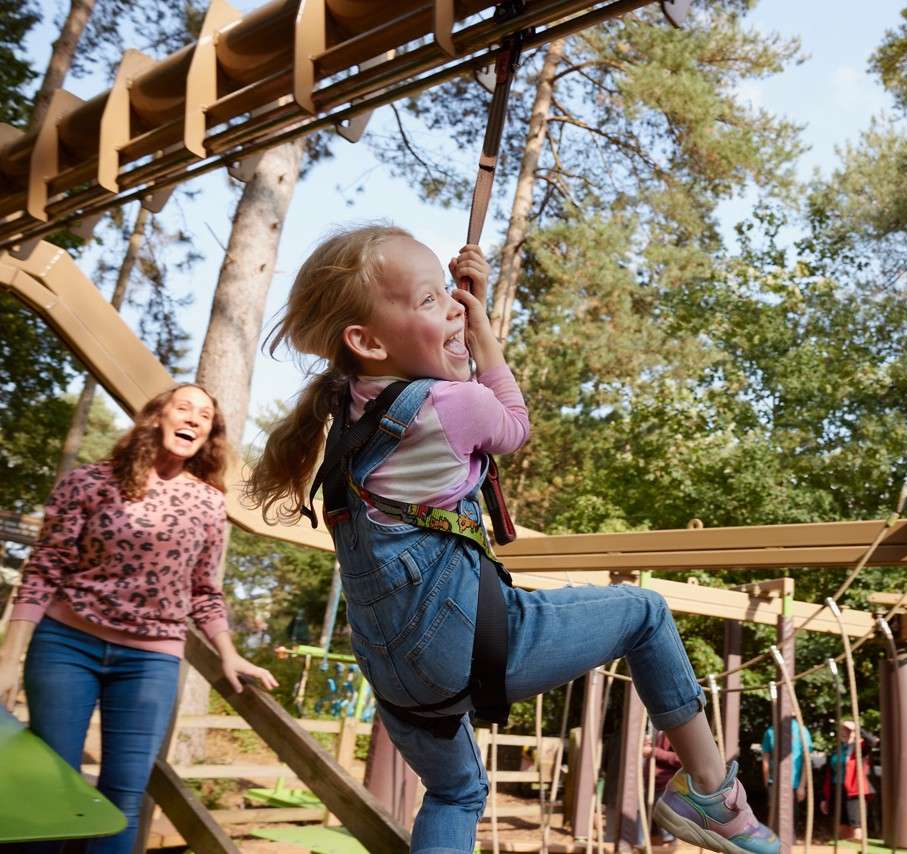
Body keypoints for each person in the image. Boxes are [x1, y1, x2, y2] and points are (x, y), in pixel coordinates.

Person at [245, 224, 780, 854]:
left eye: (447, 292)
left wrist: (457, 314)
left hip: (396, 679)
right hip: (462, 647)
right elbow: (509, 421)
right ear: (364, 340)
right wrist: (486, 333)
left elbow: (441, 373)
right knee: (645, 612)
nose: (452, 307)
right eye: (429, 301)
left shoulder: (350, 419)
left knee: (454, 795)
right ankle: (710, 794)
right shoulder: (450, 407)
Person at [0, 384, 278, 853]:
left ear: (209, 434)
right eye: (183, 408)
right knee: (52, 788)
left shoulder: (209, 504)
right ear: (156, 417)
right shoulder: (89, 482)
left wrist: (229, 654)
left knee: (125, 796)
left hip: (150, 662)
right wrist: (10, 657)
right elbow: (44, 569)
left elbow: (204, 591)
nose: (193, 418)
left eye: (205, 415)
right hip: (66, 646)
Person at [820, 720, 877, 842]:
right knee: (841, 823)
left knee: (856, 823)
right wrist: (825, 798)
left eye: (848, 730)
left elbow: (873, 741)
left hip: (854, 790)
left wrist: (858, 728)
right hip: (837, 789)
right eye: (842, 730)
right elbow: (829, 775)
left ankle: (858, 843)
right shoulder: (838, 750)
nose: (844, 732)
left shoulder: (860, 747)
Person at [760, 718, 814, 817]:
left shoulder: (801, 731)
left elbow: (806, 761)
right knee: (774, 817)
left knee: (790, 820)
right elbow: (765, 759)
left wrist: (802, 786)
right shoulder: (771, 731)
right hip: (774, 783)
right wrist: (767, 782)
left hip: (794, 784)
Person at [644, 729, 682, 846]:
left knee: (667, 831)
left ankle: (670, 844)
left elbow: (681, 759)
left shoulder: (676, 733)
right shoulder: (659, 732)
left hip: (666, 785)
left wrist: (654, 752)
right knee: (654, 829)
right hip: (653, 785)